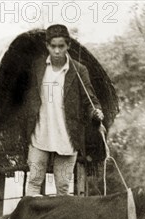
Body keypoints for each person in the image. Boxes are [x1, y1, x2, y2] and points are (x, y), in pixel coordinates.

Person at [23, 24, 104, 196]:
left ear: (68, 46)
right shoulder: (37, 68)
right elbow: (27, 99)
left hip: (67, 137)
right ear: (47, 46)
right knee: (34, 182)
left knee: (63, 187)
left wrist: (96, 113)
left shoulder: (79, 70)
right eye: (53, 46)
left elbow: (91, 101)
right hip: (40, 135)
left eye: (61, 46)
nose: (57, 51)